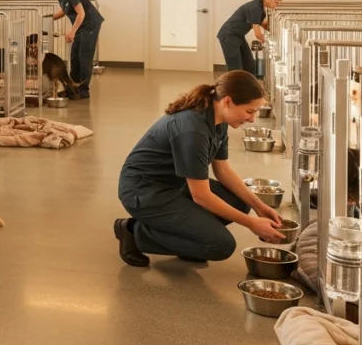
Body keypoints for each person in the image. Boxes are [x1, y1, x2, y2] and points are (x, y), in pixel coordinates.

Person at [113, 70, 286, 267]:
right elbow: (201, 196)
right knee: (220, 246)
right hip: (145, 193)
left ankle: (187, 240)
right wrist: (252, 224)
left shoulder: (218, 120)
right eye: (249, 111)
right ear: (227, 102)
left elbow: (223, 171)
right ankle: (134, 232)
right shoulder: (192, 129)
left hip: (175, 184)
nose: (252, 119)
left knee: (240, 202)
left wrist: (259, 206)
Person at [44, 0, 105, 99]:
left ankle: (83, 91)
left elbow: (81, 13)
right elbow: (64, 11)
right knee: (74, 57)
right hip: (80, 28)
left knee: (84, 58)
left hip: (90, 26)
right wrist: (46, 18)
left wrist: (72, 32)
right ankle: (72, 89)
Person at [216, 0, 283, 74]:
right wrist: (268, 43)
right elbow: (257, 33)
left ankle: (248, 82)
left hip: (239, 35)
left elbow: (263, 24)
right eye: (276, 2)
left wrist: (275, 27)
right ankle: (235, 83)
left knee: (249, 64)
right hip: (229, 35)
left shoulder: (260, 6)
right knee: (235, 67)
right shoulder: (255, 7)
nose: (276, 5)